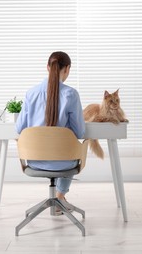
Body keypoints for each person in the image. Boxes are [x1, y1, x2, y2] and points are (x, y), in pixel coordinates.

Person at [16, 51, 85, 206]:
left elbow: (19, 127)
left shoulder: (31, 93)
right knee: (72, 149)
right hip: (65, 164)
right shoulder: (71, 95)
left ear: (48, 67)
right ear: (67, 69)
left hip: (35, 161)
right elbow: (80, 132)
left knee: (66, 150)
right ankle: (60, 195)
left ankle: (60, 197)